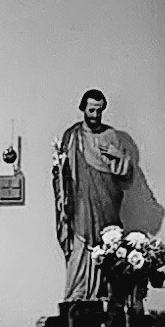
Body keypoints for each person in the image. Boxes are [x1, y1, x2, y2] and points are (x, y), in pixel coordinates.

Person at [51, 87, 148, 300]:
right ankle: (77, 295)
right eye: (91, 110)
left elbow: (124, 175)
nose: (95, 115)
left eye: (99, 111)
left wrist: (118, 156)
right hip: (80, 204)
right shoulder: (72, 136)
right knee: (80, 248)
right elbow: (62, 173)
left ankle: (103, 294)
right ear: (83, 109)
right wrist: (59, 174)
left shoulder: (110, 135)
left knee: (106, 247)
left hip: (106, 203)